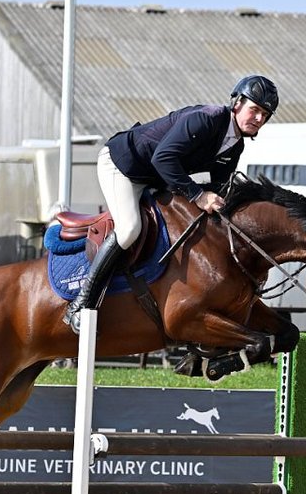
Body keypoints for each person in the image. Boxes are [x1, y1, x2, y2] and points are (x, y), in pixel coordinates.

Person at [62, 74, 280, 332]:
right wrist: (198, 196)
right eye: (254, 110)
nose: (258, 119)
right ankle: (81, 303)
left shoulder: (235, 146)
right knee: (130, 228)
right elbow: (163, 159)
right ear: (237, 103)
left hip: (156, 177)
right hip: (123, 165)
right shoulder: (207, 119)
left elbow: (219, 188)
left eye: (265, 115)